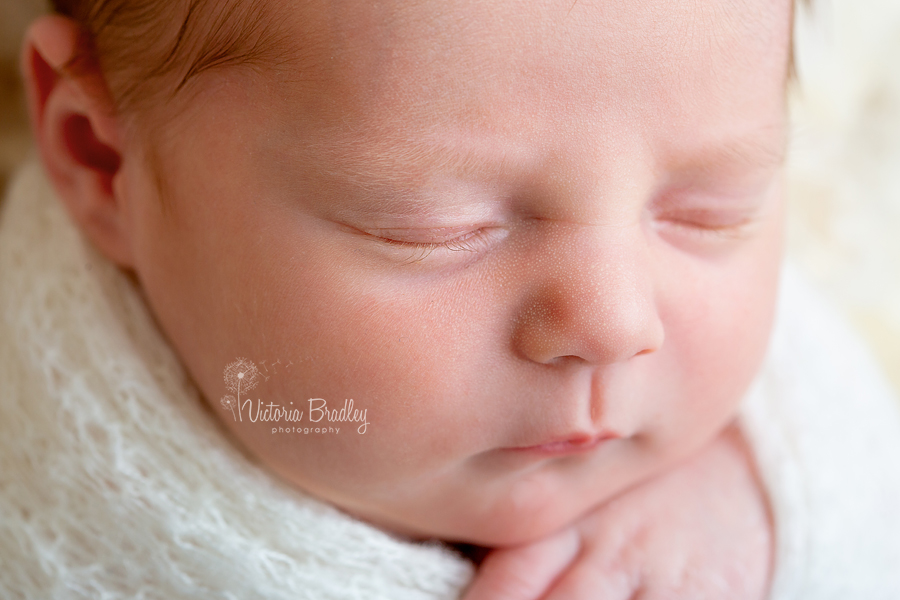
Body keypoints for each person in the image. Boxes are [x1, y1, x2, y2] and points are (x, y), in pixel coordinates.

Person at [2, 0, 899, 597]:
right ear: (100, 161)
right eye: (434, 228)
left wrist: (760, 510)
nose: (616, 324)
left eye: (710, 210)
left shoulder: (780, 437)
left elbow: (854, 468)